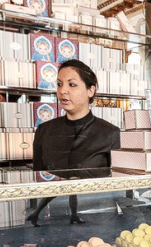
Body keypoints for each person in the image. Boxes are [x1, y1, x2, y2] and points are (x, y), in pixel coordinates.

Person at [27, 60, 120, 226]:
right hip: (56, 220)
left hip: (98, 221)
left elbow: (120, 187)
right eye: (59, 84)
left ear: (91, 90)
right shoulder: (44, 131)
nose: (63, 91)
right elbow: (39, 184)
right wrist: (34, 217)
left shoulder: (110, 133)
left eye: (72, 85)